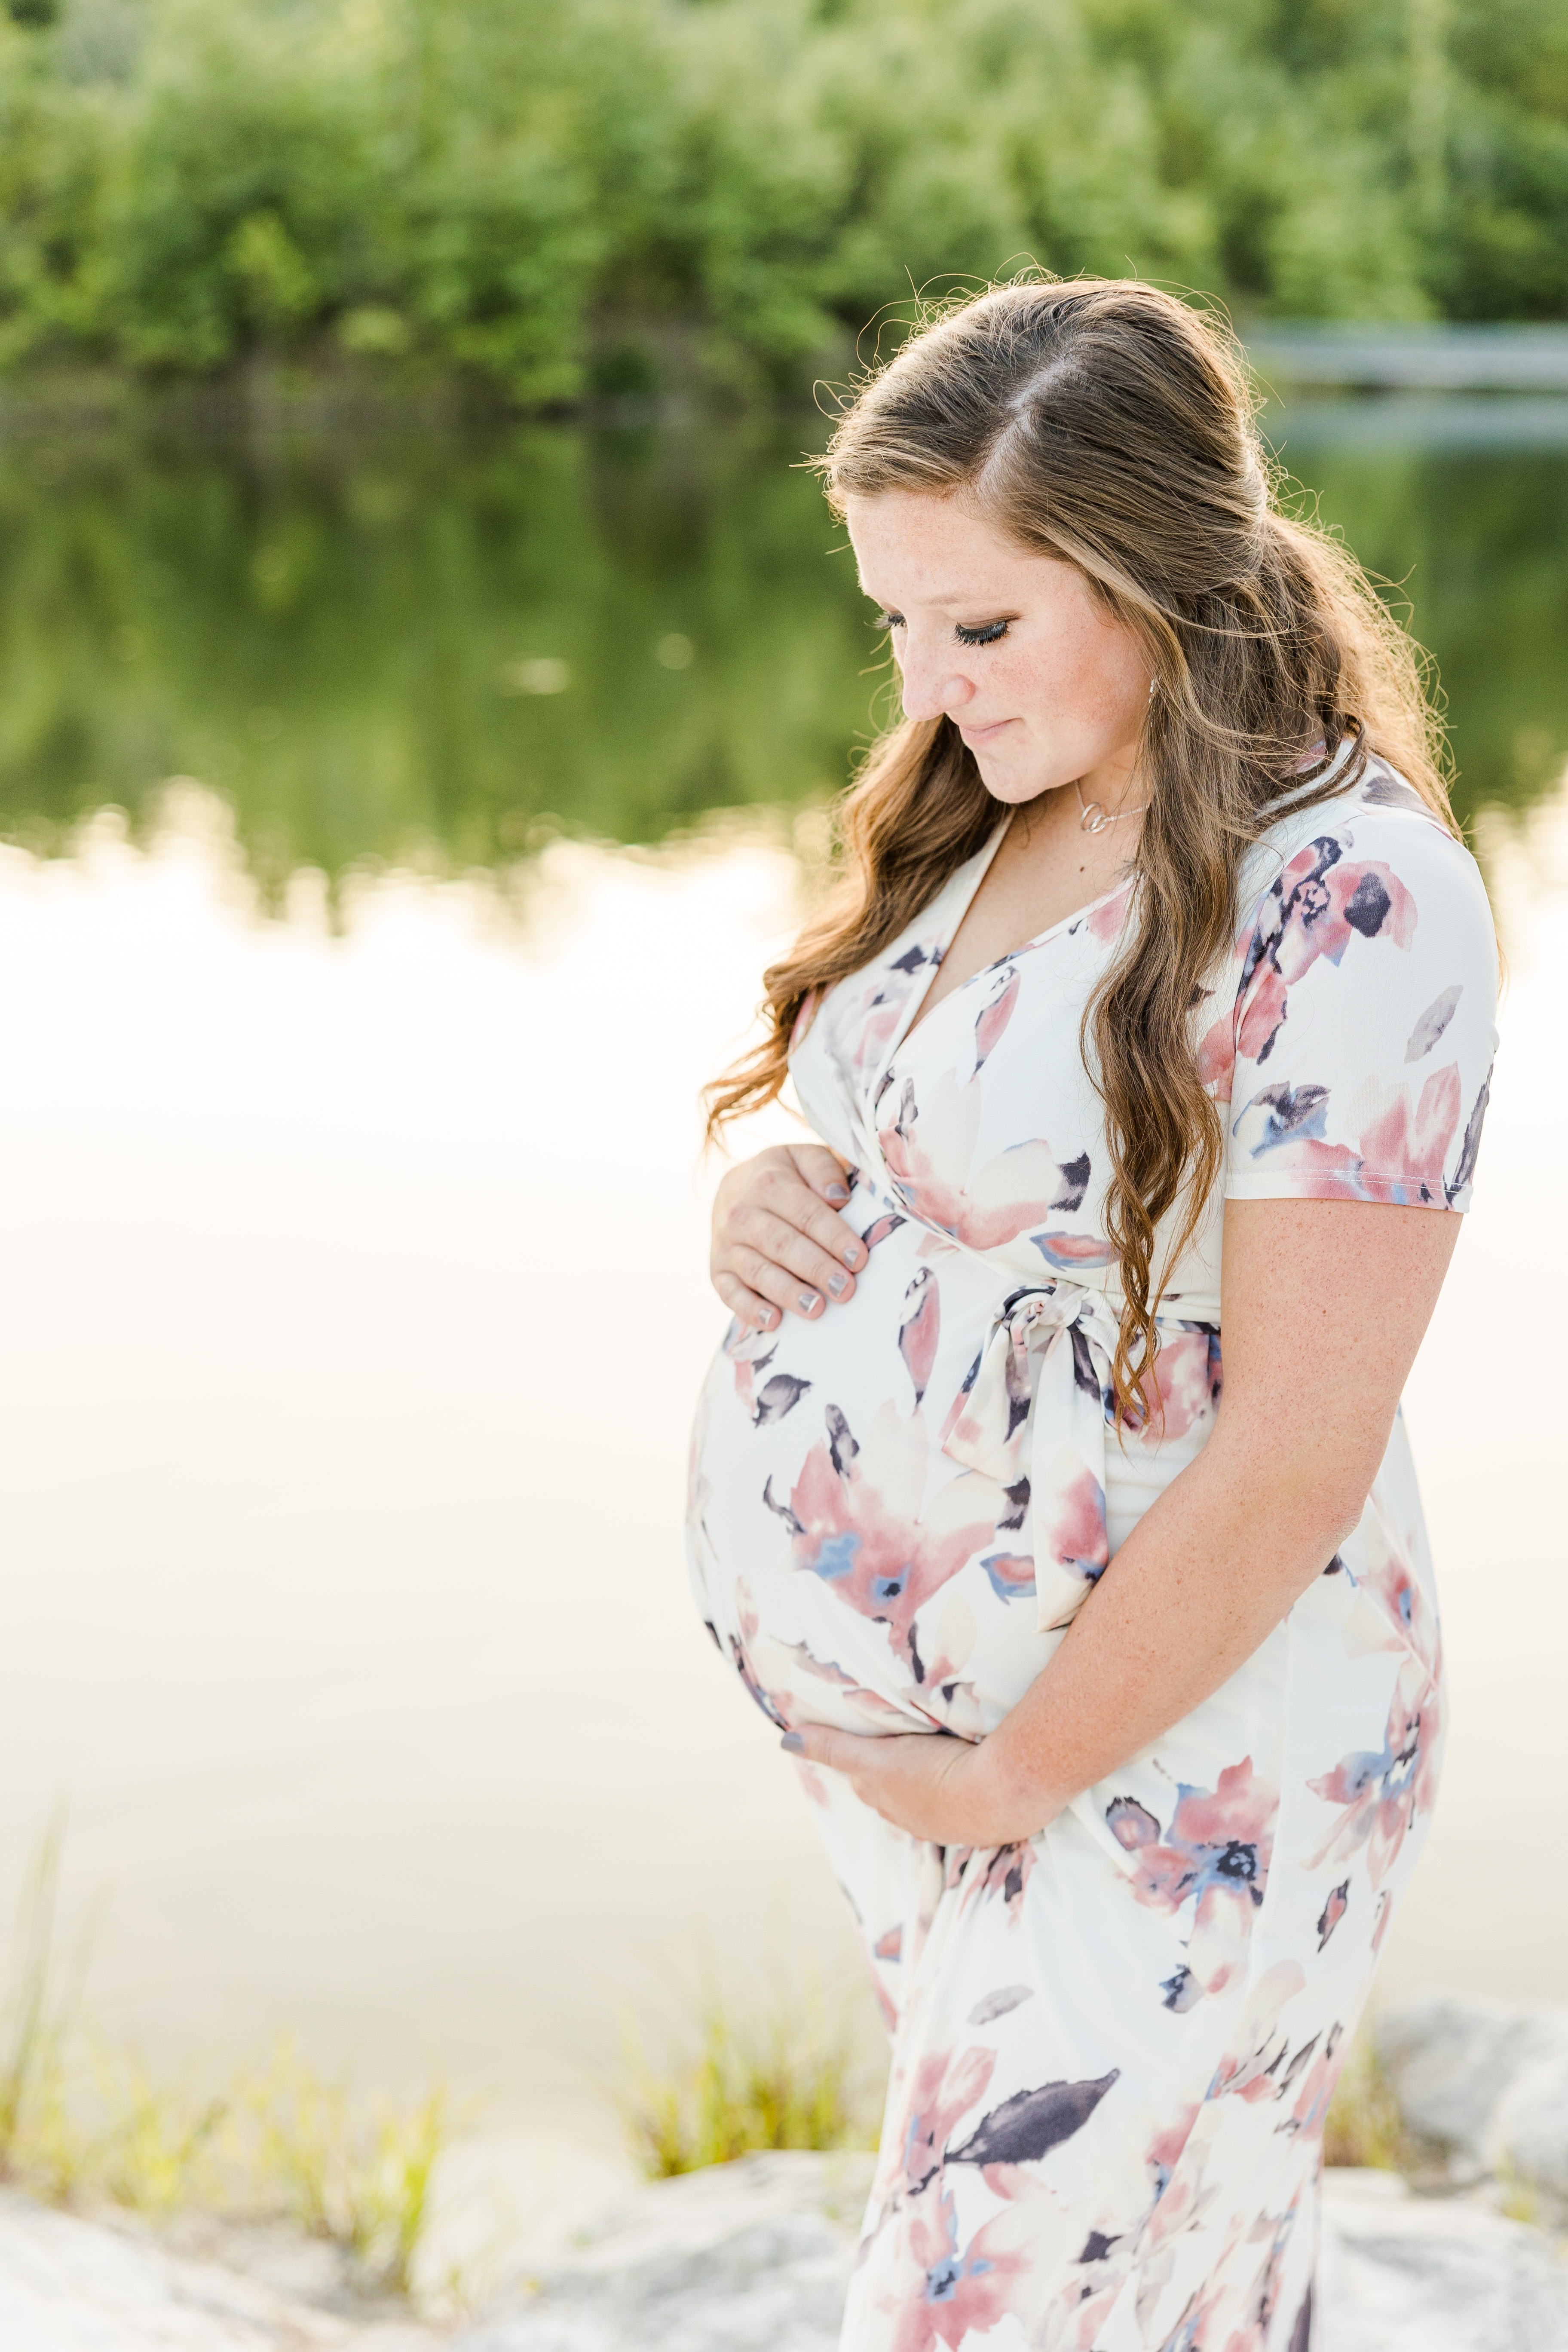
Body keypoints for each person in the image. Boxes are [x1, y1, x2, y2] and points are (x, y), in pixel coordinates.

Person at [688, 278, 1497, 2351]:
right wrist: (770, 1176)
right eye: (894, 617)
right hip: (950, 1743)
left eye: (979, 623)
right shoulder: (996, 787)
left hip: (1172, 1739)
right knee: (1181, 2284)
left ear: (1152, 569)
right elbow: (895, 1107)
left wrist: (1019, 1770)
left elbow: (1304, 1445)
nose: (929, 679)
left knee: (979, 2301)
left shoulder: (1357, 894)